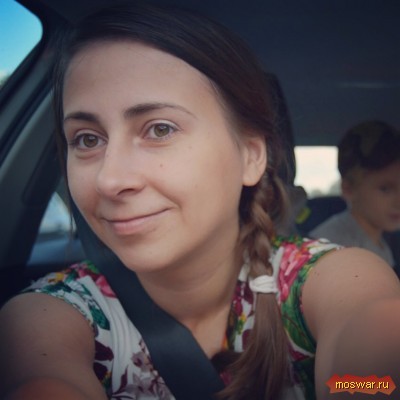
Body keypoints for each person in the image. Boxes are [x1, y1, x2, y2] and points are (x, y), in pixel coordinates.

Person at [1, 4, 400, 400]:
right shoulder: (44, 318)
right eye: (87, 139)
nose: (110, 180)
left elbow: (373, 372)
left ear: (251, 156)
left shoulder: (335, 279)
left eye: (160, 129)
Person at [311, 120, 400, 268]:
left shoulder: (380, 243)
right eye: (385, 189)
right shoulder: (333, 246)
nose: (398, 201)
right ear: (348, 189)